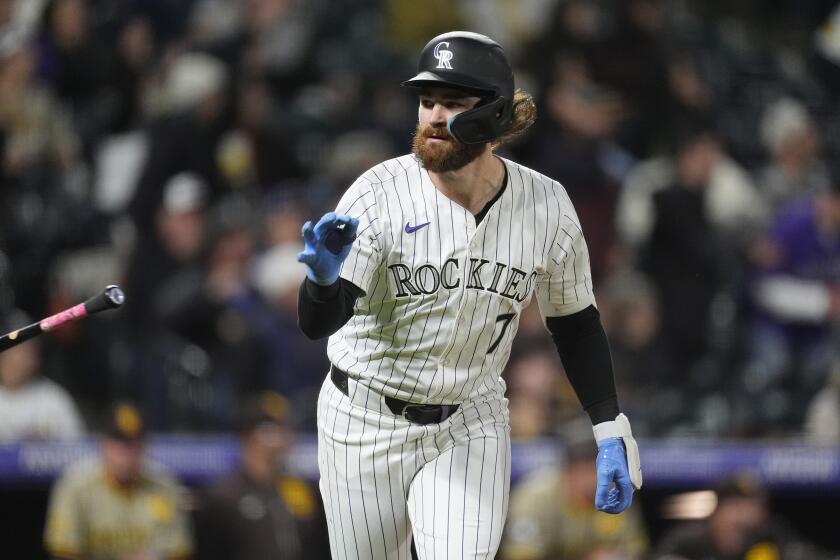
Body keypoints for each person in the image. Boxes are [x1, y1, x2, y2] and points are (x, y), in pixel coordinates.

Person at [296, 31, 642, 559]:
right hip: (363, 419)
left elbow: (575, 323)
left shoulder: (546, 204)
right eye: (426, 100)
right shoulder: (379, 193)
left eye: (453, 103)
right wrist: (321, 280)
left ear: (495, 118)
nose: (433, 115)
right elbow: (320, 321)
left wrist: (609, 426)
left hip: (468, 422)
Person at [44, 402, 193, 560]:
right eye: (119, 445)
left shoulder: (164, 485)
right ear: (103, 444)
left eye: (133, 445)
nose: (125, 456)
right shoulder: (76, 484)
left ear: (145, 447)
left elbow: (179, 552)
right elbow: (62, 553)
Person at [195, 391, 330, 560]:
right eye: (271, 430)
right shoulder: (223, 497)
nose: (281, 438)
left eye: (284, 429)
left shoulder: (302, 491)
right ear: (248, 436)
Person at [500, 429, 649, 560]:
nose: (593, 480)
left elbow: (635, 549)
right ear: (568, 472)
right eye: (585, 472)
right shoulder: (534, 498)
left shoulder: (616, 494)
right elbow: (520, 555)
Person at [652, 472, 834, 560]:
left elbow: (805, 554)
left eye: (756, 505)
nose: (749, 513)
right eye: (739, 505)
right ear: (721, 508)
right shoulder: (687, 539)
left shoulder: (768, 534)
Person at [0, 308, 84, 442]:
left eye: (27, 351)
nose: (19, 359)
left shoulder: (53, 399)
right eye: (13, 351)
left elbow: (80, 454)